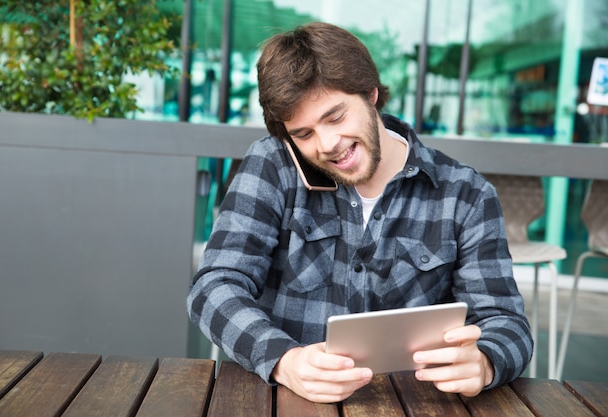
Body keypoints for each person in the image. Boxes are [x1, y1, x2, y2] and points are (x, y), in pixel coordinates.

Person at [188, 22, 533, 403]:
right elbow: (214, 287)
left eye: (335, 117)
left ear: (371, 95)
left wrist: (484, 362)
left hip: (413, 405)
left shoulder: (465, 194)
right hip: (286, 400)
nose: (328, 145)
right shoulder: (272, 165)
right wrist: (285, 360)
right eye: (304, 134)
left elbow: (507, 324)